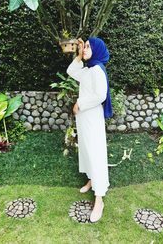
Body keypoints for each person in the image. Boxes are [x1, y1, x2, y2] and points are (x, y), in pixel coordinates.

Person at [66, 37, 113, 223]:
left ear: (97, 49)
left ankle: (99, 199)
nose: (84, 49)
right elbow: (71, 71)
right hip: (84, 118)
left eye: (87, 47)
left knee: (96, 154)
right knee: (87, 151)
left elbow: (100, 95)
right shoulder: (89, 69)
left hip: (92, 118)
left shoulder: (98, 70)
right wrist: (78, 54)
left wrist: (80, 103)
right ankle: (91, 180)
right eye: (83, 46)